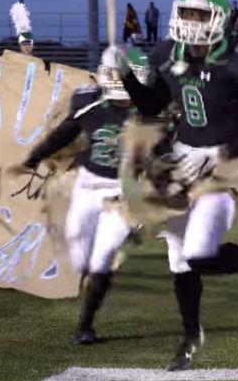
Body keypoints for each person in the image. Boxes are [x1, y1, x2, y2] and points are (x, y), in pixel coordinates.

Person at [111, 0, 238, 371]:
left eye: (200, 14)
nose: (191, 22)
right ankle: (189, 336)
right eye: (186, 13)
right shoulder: (168, 52)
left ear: (219, 20)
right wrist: (130, 79)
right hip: (182, 161)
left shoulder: (237, 61)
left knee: (199, 255)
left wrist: (228, 155)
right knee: (178, 260)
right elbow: (155, 106)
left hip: (221, 164)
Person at [14, 50, 145, 345]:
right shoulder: (90, 104)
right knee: (78, 253)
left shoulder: (147, 112)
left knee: (102, 260)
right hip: (88, 185)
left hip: (122, 194)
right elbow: (64, 134)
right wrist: (35, 157)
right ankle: (89, 283)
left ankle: (85, 326)